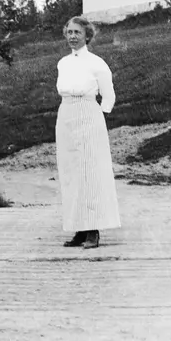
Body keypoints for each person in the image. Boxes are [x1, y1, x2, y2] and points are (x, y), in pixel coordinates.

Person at [54, 17, 120, 249]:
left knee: (89, 173)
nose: (72, 36)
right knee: (71, 173)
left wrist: (97, 117)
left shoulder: (96, 63)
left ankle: (93, 230)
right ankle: (79, 230)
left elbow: (109, 95)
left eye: (77, 32)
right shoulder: (63, 63)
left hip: (88, 114)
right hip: (66, 116)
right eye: (69, 32)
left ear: (87, 36)